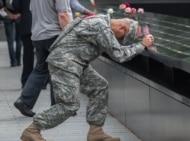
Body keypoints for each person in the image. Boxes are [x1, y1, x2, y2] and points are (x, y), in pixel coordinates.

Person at [20, 14, 154, 141]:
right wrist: (141, 45)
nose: (118, 40)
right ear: (122, 28)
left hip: (76, 62)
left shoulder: (100, 20)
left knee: (99, 87)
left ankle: (96, 131)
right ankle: (33, 130)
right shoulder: (101, 27)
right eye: (121, 38)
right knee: (69, 105)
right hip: (65, 63)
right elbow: (119, 55)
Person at [13, 0, 72, 117]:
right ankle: (58, 107)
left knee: (41, 69)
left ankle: (24, 101)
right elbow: (63, 15)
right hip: (54, 34)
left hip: (38, 34)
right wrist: (70, 34)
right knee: (58, 70)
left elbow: (31, 11)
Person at [12, 0, 34, 88]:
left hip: (27, 22)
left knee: (28, 53)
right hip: (42, 24)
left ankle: (26, 80)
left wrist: (24, 10)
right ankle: (43, 79)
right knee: (43, 53)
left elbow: (15, 4)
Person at [2, 0, 22, 67]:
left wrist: (9, 14)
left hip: (8, 16)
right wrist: (18, 14)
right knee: (19, 39)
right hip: (18, 16)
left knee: (10, 40)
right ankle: (18, 60)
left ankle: (13, 61)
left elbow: (2, 5)